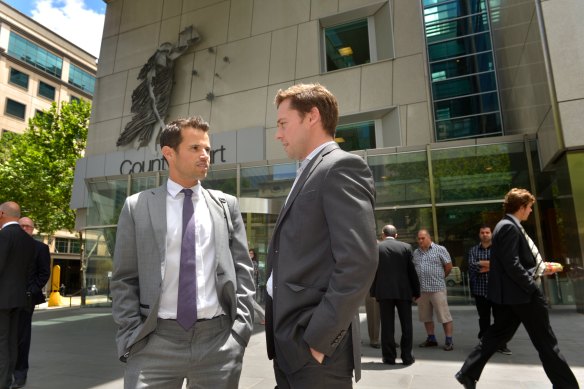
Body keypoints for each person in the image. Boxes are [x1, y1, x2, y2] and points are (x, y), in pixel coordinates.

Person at [111, 116, 255, 389]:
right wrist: (131, 335)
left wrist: (239, 333)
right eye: (195, 148)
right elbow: (124, 279)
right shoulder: (137, 206)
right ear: (169, 153)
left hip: (218, 343)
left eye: (207, 150)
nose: (205, 156)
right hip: (154, 342)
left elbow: (243, 271)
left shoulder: (227, 205)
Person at [265, 83, 378, 388]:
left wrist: (318, 340)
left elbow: (358, 262)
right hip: (289, 344)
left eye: (282, 123)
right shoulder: (308, 170)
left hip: (314, 352)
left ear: (312, 116)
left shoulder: (341, 167)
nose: (278, 134)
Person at [455, 188, 579, 389]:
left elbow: (511, 262)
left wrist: (538, 268)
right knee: (546, 342)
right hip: (523, 295)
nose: (530, 211)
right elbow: (511, 264)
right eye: (529, 207)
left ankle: (467, 373)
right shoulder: (509, 227)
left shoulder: (507, 226)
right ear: (521, 207)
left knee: (497, 335)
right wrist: (531, 285)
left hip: (512, 295)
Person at [371, 225, 420, 365]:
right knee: (407, 325)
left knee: (387, 326)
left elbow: (373, 271)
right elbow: (412, 271)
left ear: (382, 235)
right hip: (403, 292)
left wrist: (374, 291)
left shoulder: (377, 248)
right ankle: (407, 357)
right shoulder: (406, 247)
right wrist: (417, 291)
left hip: (384, 292)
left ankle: (389, 357)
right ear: (396, 235)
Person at [12, 217, 51, 388]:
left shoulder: (40, 248)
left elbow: (44, 273)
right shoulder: (8, 244)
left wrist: (31, 291)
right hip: (5, 298)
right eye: (22, 226)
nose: (25, 228)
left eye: (28, 227)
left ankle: (20, 373)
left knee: (21, 337)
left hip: (26, 300)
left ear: (33, 230)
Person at [0, 202, 35, 389]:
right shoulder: (28, 240)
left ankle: (2, 382)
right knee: (12, 342)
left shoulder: (4, 235)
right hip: (18, 299)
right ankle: (7, 380)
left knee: (2, 343)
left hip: (2, 300)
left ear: (2, 213)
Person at [467, 225, 511, 355]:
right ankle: (485, 342)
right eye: (482, 232)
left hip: (498, 290)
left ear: (491, 234)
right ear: (479, 235)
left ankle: (501, 344)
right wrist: (493, 265)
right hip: (480, 291)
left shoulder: (499, 249)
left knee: (500, 318)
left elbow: (504, 266)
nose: (485, 234)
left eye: (487, 232)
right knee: (484, 318)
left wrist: (482, 263)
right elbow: (472, 267)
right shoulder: (473, 250)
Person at [413, 229, 454, 351]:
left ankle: (449, 340)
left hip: (437, 289)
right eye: (419, 238)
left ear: (429, 238)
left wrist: (440, 278)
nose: (420, 240)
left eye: (423, 238)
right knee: (426, 317)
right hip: (422, 290)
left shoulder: (440, 249)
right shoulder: (416, 252)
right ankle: (431, 339)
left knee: (444, 316)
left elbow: (448, 266)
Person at [249, 249, 265, 325]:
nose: (250, 254)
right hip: (249, 285)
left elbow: (252, 274)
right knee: (251, 302)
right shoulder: (250, 262)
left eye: (251, 253)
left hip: (251, 286)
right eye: (249, 253)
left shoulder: (254, 263)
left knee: (252, 302)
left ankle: (264, 317)